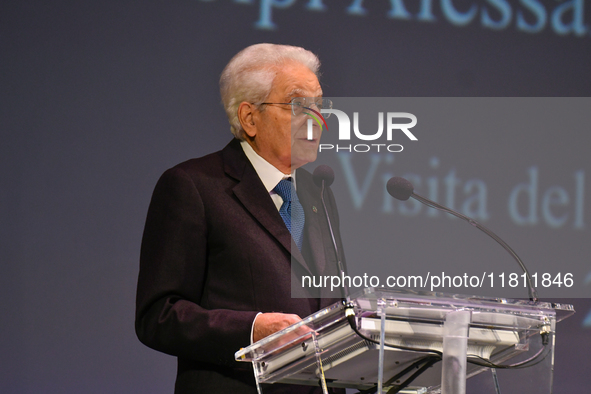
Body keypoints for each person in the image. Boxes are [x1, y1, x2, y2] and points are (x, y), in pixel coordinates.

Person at [135, 43, 345, 393]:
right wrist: (251, 329)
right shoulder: (194, 187)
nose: (316, 119)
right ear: (249, 117)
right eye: (298, 105)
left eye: (319, 105)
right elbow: (158, 315)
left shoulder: (318, 194)